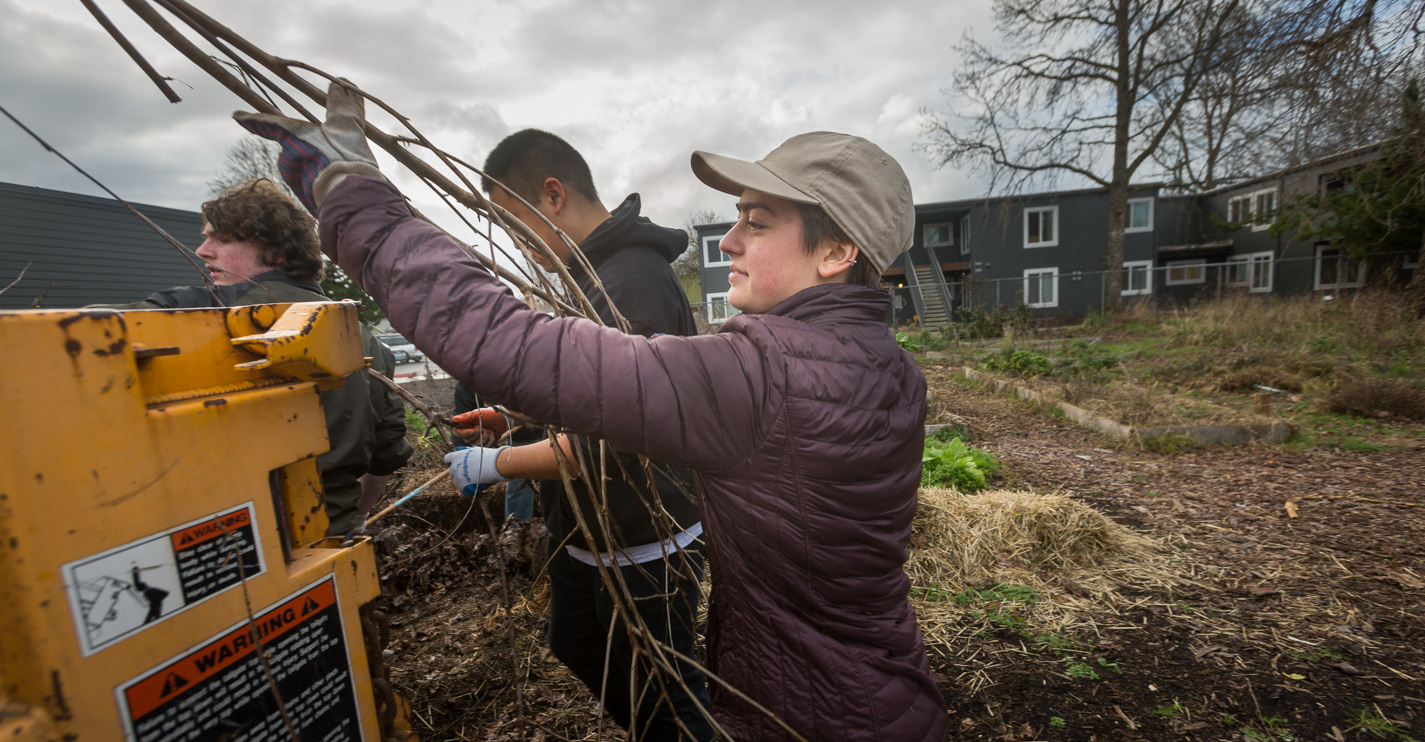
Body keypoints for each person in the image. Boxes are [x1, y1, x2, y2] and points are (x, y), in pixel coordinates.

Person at [239, 83, 949, 741]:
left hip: (808, 714)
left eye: (756, 223)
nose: (728, 241)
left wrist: (352, 193)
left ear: (836, 250)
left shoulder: (760, 372)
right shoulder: (886, 364)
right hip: (878, 688)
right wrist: (517, 418)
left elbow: (505, 340)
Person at [442, 129, 711, 740]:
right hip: (591, 533)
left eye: (514, 225)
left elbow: (608, 445)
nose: (515, 244)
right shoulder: (590, 278)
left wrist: (497, 464)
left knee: (669, 691)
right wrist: (514, 419)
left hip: (645, 539)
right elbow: (586, 391)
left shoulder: (630, 286)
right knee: (578, 644)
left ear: (553, 195)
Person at [99, 179, 413, 536]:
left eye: (223, 238)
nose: (203, 250)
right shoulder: (366, 339)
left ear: (278, 253)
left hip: (224, 544)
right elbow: (386, 456)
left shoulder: (207, 311)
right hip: (332, 537)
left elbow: (78, 332)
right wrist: (351, 520)